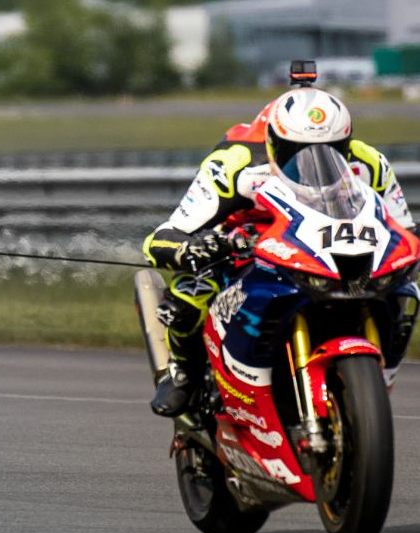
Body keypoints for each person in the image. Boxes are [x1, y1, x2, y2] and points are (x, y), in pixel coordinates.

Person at [142, 75, 415, 418]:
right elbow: (163, 236)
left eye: (333, 150)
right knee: (190, 294)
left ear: (347, 142)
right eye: (296, 153)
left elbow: (404, 228)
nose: (313, 161)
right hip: (250, 252)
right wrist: (193, 248)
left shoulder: (369, 162)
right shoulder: (235, 162)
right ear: (274, 142)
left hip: (327, 253)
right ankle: (183, 373)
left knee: (404, 289)